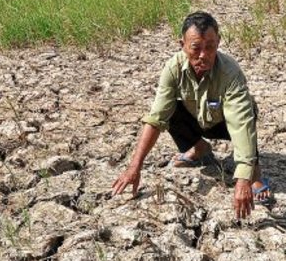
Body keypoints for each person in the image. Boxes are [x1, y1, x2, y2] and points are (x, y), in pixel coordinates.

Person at [111, 11, 270, 219]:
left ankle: (254, 172)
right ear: (183, 45)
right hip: (197, 120)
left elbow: (241, 125)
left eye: (210, 47)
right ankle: (199, 148)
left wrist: (243, 180)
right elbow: (156, 119)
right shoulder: (173, 68)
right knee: (169, 110)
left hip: (225, 123)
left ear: (218, 42)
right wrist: (135, 167)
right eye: (196, 48)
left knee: (248, 114)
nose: (203, 55)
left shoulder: (230, 72)